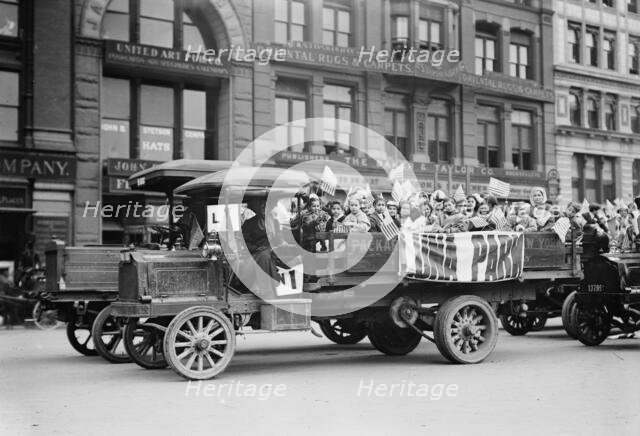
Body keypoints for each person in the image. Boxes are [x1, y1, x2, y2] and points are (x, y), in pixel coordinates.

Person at [241, 197, 280, 298]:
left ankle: (265, 289)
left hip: (272, 252)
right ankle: (265, 289)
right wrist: (256, 248)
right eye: (262, 206)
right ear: (258, 208)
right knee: (263, 255)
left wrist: (274, 248)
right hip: (254, 252)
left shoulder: (275, 223)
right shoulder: (249, 223)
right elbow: (245, 242)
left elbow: (278, 241)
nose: (264, 208)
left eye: (266, 207)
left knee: (266, 254)